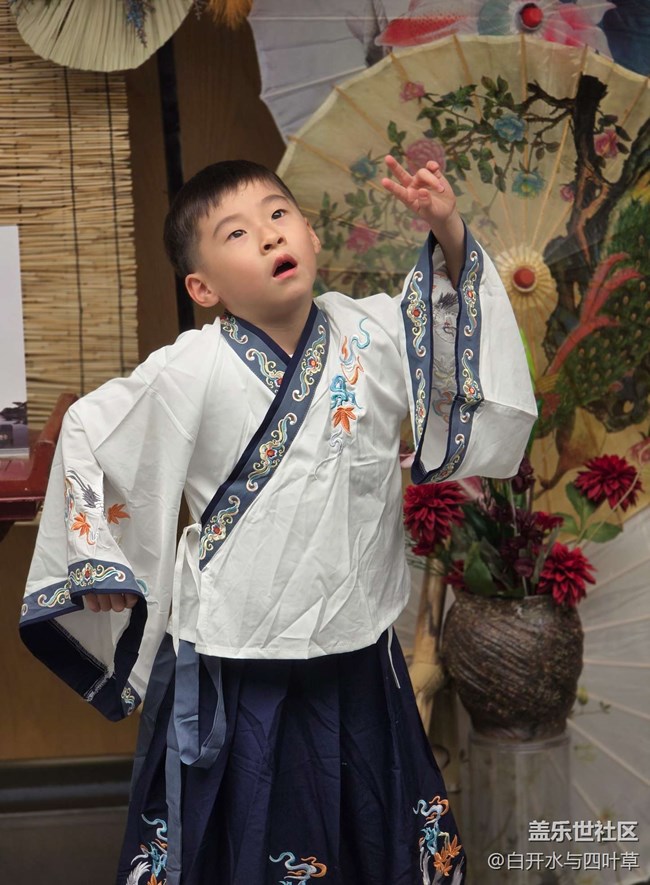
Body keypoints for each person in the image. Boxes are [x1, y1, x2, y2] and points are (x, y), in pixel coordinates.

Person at [19, 155, 537, 885]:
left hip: (358, 652)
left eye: (278, 214)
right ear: (203, 288)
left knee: (374, 836)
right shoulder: (192, 366)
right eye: (236, 233)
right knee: (245, 839)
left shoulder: (372, 333)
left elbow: (452, 330)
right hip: (240, 662)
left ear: (309, 235)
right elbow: (91, 432)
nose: (268, 236)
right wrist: (98, 557)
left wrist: (448, 229)